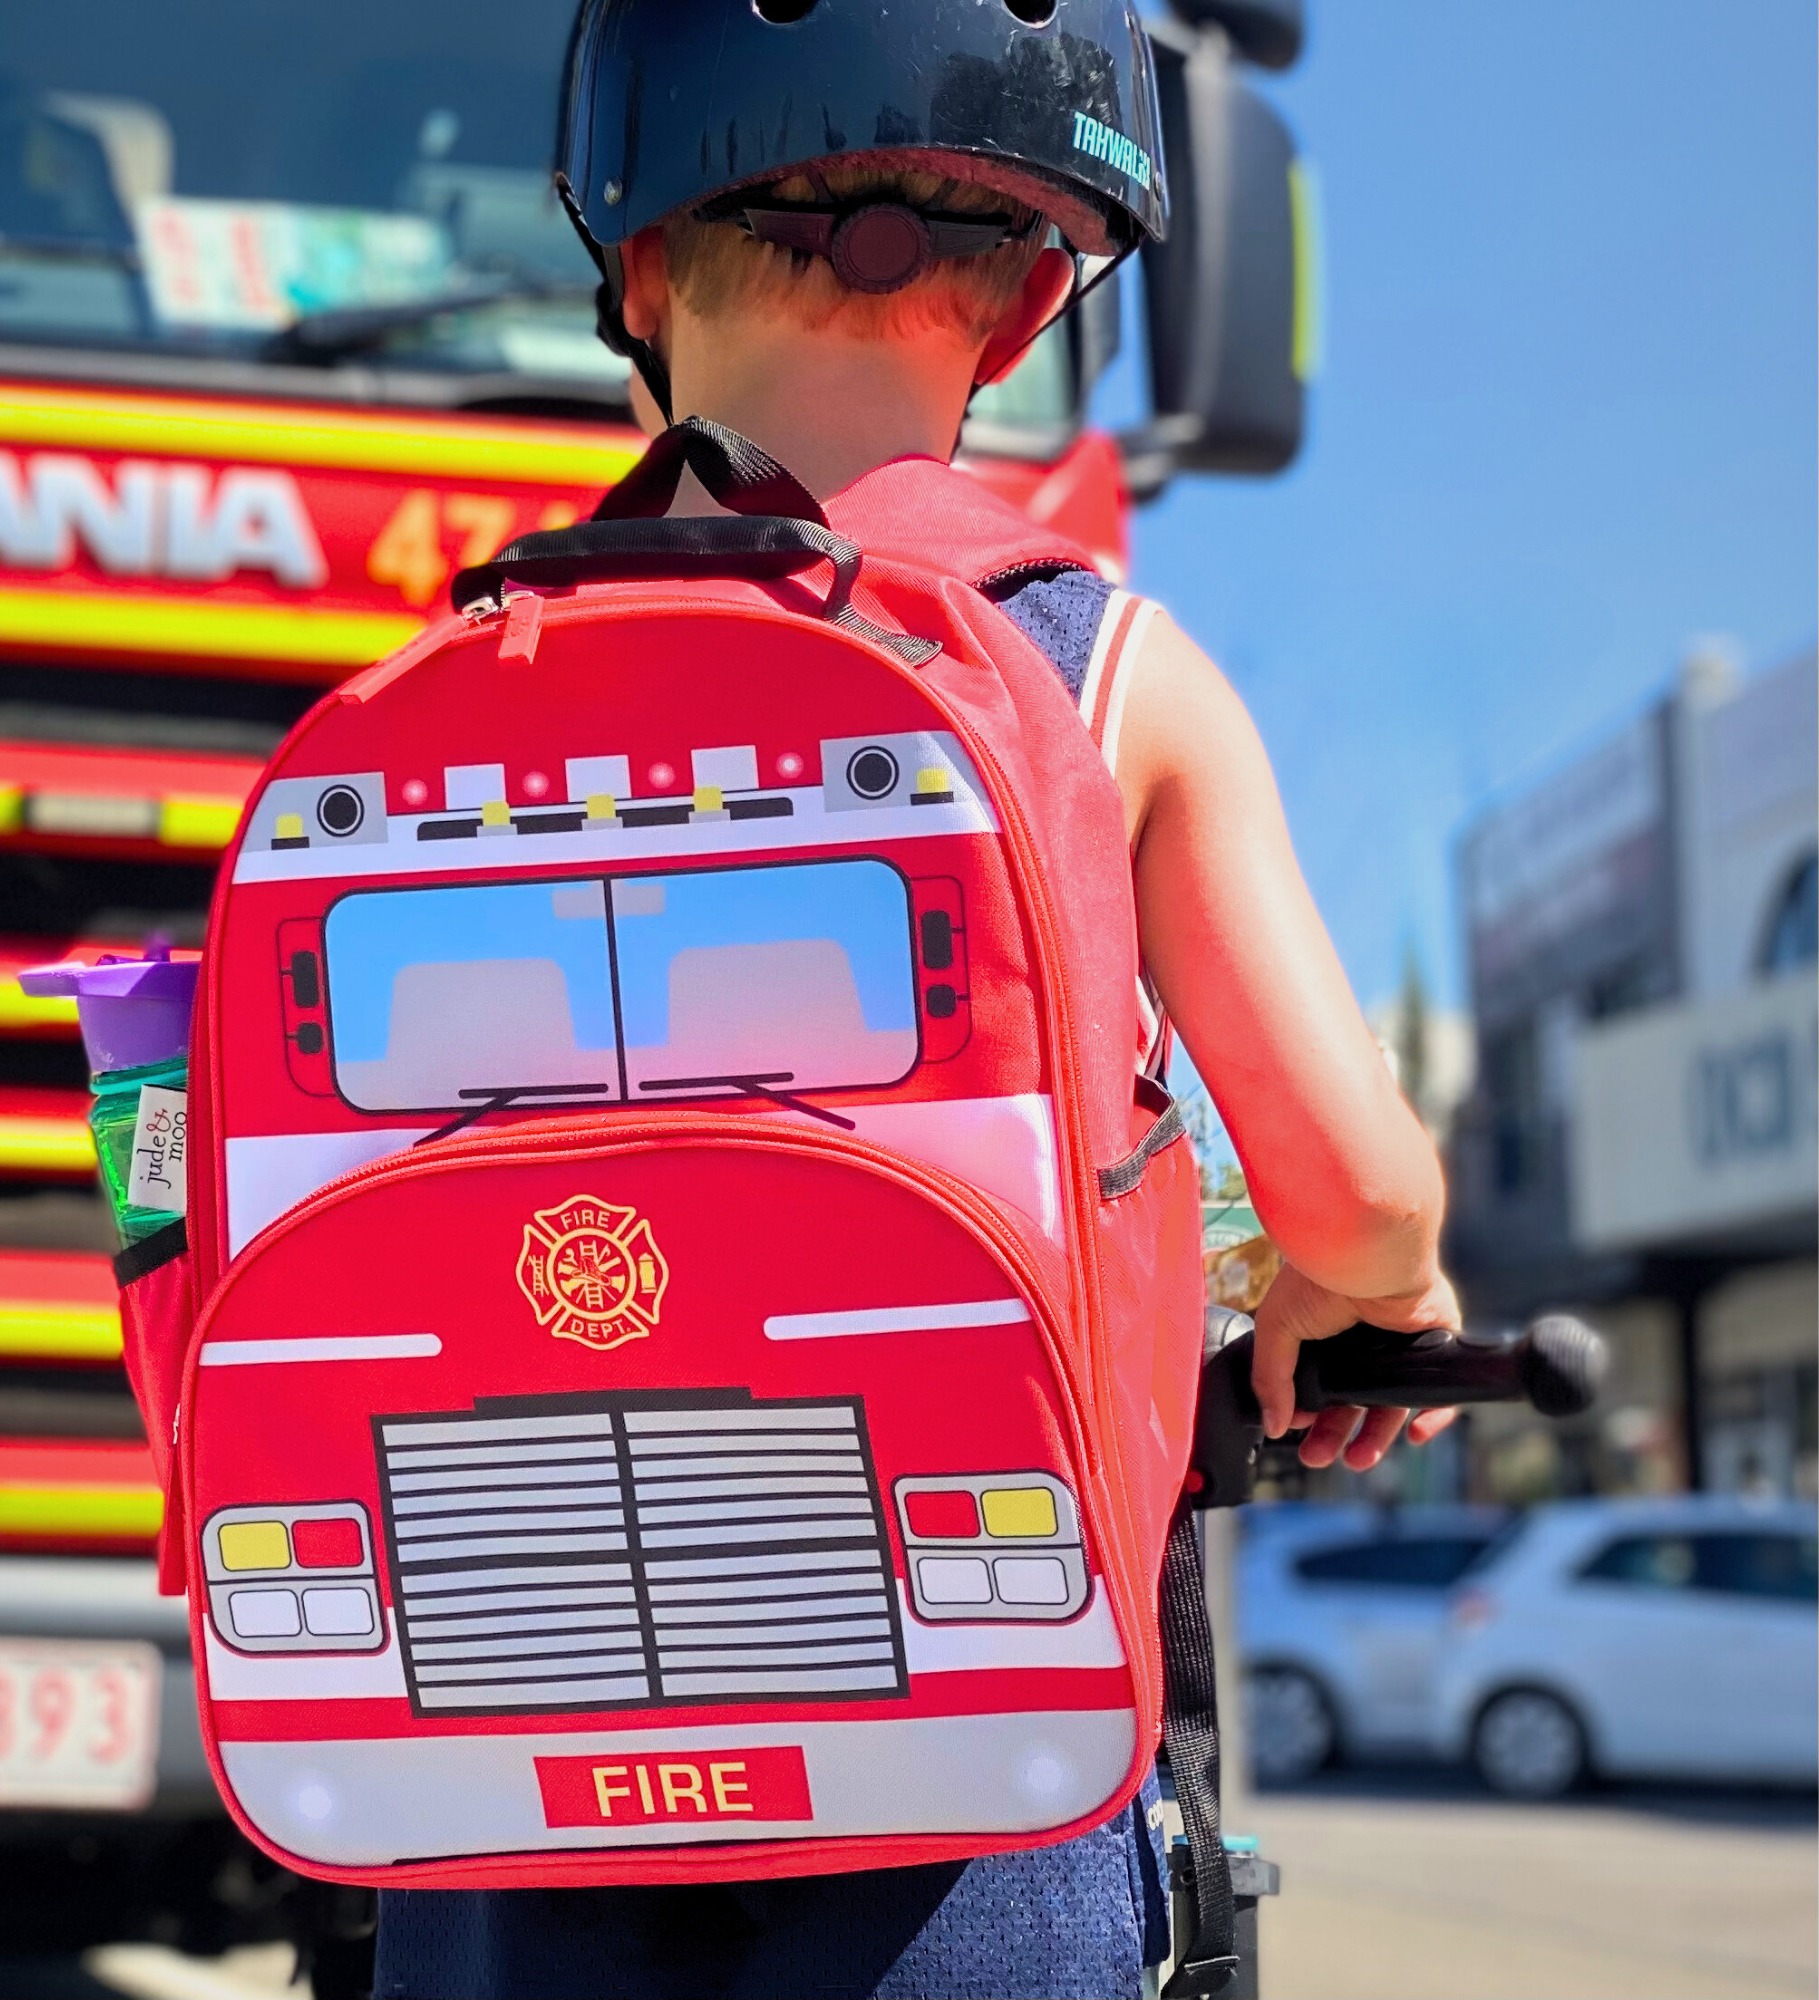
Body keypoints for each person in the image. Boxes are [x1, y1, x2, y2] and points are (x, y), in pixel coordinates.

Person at [374, 4, 1457, 1994]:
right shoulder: (1100, 668)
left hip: (511, 1752)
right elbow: (1361, 1192)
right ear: (1038, 301)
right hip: (975, 1762)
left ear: (633, 269)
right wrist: (1354, 1289)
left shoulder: (470, 687)